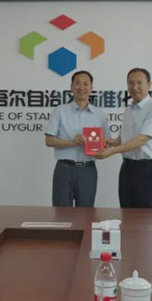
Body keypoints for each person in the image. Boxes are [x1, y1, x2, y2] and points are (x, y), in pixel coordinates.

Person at [96, 68, 152, 209]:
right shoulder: (129, 109)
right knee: (126, 212)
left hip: (147, 169)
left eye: (139, 83)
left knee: (147, 215)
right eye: (130, 83)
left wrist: (112, 151)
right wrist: (110, 142)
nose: (134, 87)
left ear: (149, 85)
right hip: (128, 168)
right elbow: (123, 139)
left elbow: (141, 139)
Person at [44, 70, 109, 207]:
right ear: (71, 87)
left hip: (88, 170)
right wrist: (71, 142)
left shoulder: (100, 114)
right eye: (77, 83)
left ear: (91, 88)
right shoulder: (60, 111)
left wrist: (99, 147)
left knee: (86, 214)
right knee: (61, 213)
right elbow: (49, 140)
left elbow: (106, 143)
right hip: (64, 169)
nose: (82, 88)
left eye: (86, 84)